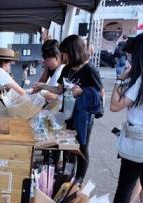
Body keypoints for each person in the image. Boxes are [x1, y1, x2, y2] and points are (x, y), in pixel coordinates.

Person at [33, 35, 104, 184]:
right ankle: (67, 175)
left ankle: (79, 179)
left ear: (73, 52)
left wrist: (82, 92)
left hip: (83, 117)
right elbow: (60, 89)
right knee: (66, 145)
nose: (62, 56)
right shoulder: (67, 69)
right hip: (67, 113)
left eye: (64, 52)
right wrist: (43, 86)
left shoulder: (90, 70)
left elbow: (100, 94)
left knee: (81, 147)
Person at [97, 32, 143, 203]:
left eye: (132, 55)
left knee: (126, 184)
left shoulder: (142, 81)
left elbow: (115, 105)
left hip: (138, 141)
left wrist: (120, 79)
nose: (129, 59)